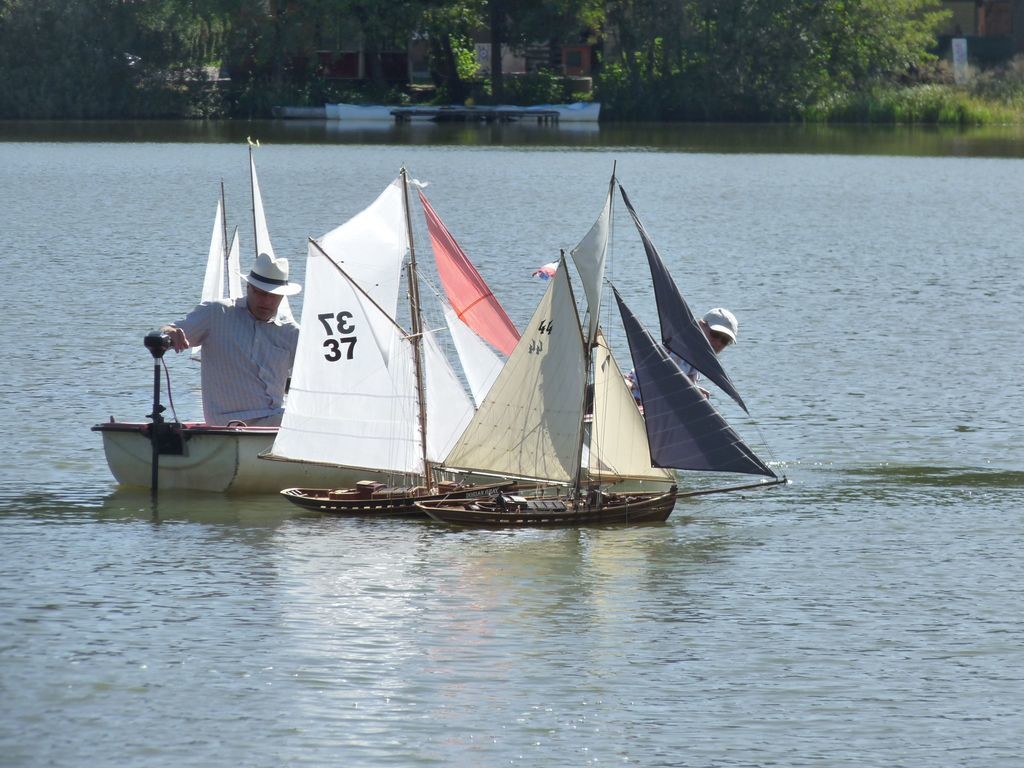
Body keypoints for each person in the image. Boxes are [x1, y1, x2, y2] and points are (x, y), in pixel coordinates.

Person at [163, 252, 302, 427]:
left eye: (273, 295)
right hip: (226, 423)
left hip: (274, 421)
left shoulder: (291, 332)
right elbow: (166, 332)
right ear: (248, 287)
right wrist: (170, 333)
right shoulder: (216, 313)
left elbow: (316, 375)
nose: (266, 301)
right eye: (260, 293)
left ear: (283, 296)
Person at [625, 307, 738, 402]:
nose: (718, 343)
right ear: (700, 326)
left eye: (725, 340)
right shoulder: (683, 350)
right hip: (632, 393)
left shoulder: (696, 354)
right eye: (715, 334)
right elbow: (666, 383)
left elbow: (678, 381)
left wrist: (694, 389)